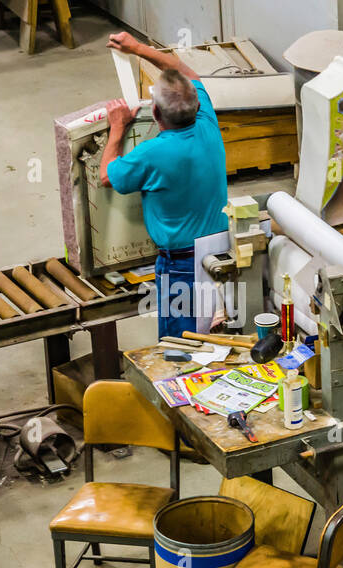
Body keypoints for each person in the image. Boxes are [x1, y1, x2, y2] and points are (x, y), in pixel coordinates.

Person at [99, 31, 227, 339]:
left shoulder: (151, 153)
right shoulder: (208, 123)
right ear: (197, 106)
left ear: (155, 113)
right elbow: (189, 73)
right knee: (219, 339)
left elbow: (107, 175)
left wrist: (117, 128)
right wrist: (139, 48)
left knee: (181, 351)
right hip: (224, 253)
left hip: (182, 266)